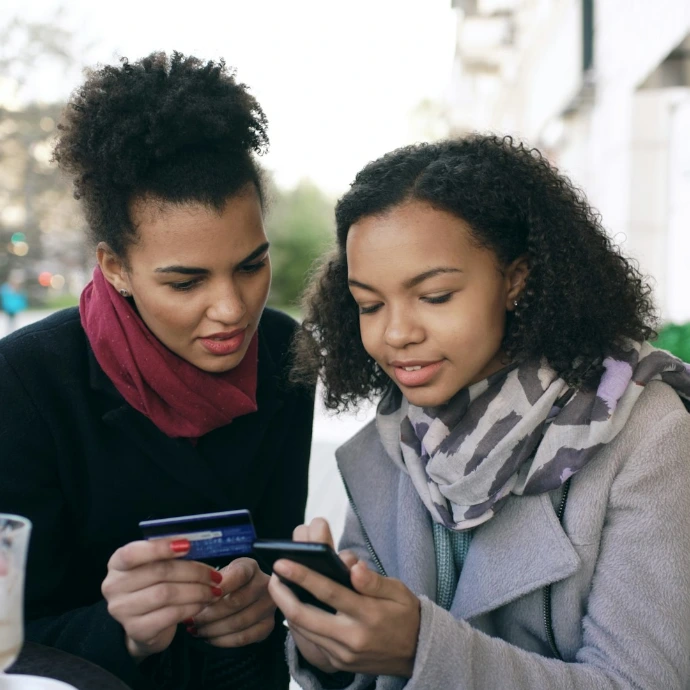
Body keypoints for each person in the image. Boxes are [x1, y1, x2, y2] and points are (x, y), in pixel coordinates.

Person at [270, 135, 690, 690]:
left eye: (435, 296)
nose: (396, 333)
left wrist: (422, 650)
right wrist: (329, 643)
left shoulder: (649, 433)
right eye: (369, 304)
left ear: (515, 279)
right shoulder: (391, 441)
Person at [0, 52, 314, 690]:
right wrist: (126, 629)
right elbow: (14, 636)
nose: (232, 311)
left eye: (251, 266)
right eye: (186, 281)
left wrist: (267, 605)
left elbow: (279, 554)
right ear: (115, 267)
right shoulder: (26, 380)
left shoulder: (286, 353)